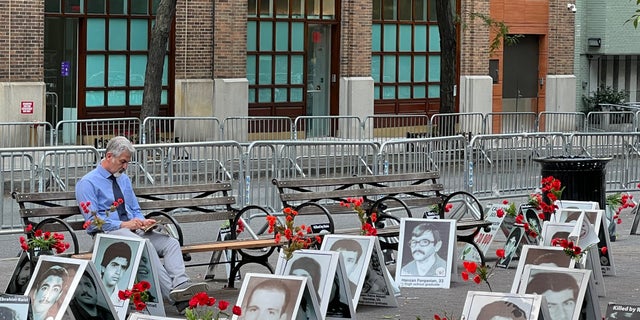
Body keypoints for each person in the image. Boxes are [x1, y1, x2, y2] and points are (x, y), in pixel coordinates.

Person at [75, 136, 207, 310]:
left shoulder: (123, 179)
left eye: (127, 162)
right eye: (123, 161)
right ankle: (175, 295)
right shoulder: (87, 183)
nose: (125, 166)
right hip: (108, 234)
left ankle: (182, 284)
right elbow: (92, 223)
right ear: (109, 156)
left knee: (171, 243)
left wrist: (143, 222)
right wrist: (124, 225)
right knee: (145, 244)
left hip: (134, 231)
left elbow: (134, 209)